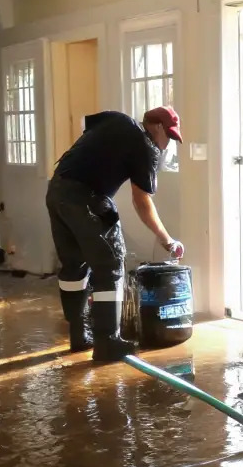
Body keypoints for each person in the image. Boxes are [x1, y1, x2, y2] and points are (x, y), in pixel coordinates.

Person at [46, 105, 186, 361]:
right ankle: (107, 341)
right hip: (87, 198)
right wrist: (167, 240)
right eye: (169, 136)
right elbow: (141, 201)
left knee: (74, 266)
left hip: (57, 191)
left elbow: (85, 123)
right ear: (156, 127)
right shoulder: (144, 145)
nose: (168, 145)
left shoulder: (116, 120)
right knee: (110, 264)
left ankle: (79, 336)